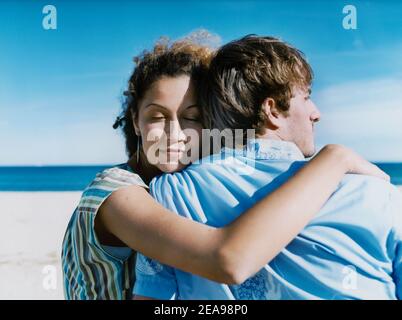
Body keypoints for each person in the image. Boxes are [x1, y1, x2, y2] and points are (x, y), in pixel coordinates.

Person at [61, 32, 389, 300]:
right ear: (135, 120)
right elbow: (226, 259)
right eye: (157, 117)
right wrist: (333, 159)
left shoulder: (183, 188)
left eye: (192, 117)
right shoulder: (116, 192)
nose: (175, 133)